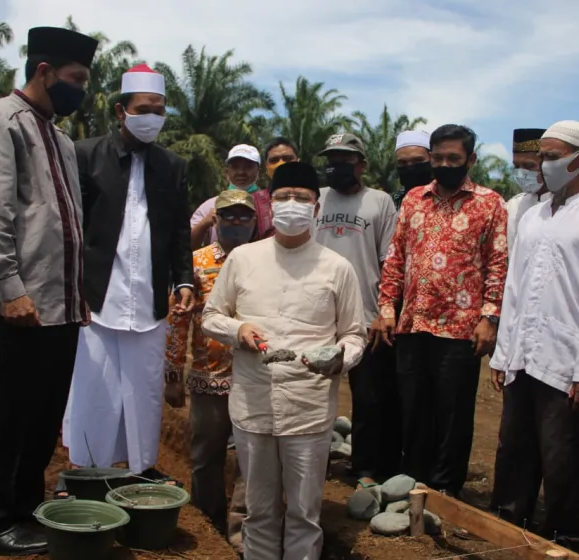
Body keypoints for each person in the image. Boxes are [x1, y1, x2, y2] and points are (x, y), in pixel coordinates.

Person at [0, 26, 98, 555]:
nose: (80, 89)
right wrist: (8, 288)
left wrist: (76, 293)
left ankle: (23, 511)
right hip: (17, 304)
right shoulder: (0, 123)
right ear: (43, 71)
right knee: (3, 415)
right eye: (75, 78)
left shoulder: (59, 138)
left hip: (59, 305)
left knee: (41, 416)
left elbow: (66, 222)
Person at [202, 161, 367, 560]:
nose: (291, 204)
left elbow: (354, 335)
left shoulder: (337, 268)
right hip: (252, 404)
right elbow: (211, 316)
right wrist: (237, 331)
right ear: (269, 206)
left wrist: (339, 359)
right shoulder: (243, 259)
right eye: (282, 197)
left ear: (316, 208)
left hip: (307, 409)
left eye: (301, 197)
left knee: (305, 513)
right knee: (258, 510)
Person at [489, 121, 579, 548]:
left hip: (565, 357)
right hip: (522, 352)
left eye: (551, 157)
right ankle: (509, 525)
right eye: (542, 156)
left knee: (561, 453)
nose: (543, 166)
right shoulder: (532, 216)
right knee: (514, 446)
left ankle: (565, 535)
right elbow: (515, 287)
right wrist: (502, 353)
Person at [62, 64, 194, 480]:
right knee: (93, 386)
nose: (152, 117)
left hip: (149, 298)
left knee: (144, 390)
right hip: (97, 296)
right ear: (121, 111)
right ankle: (85, 467)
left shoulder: (172, 166)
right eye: (144, 108)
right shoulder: (86, 155)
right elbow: (72, 226)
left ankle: (141, 468)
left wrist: (184, 278)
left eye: (159, 109)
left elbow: (177, 230)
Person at [376, 124, 508, 498]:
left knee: (453, 413)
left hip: (460, 327)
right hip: (413, 322)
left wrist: (489, 317)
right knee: (414, 408)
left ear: (471, 159)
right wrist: (387, 308)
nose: (445, 164)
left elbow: (498, 264)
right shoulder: (415, 199)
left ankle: (446, 489)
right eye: (439, 158)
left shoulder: (490, 203)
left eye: (454, 158)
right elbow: (395, 258)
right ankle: (412, 484)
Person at [165, 189, 256, 553]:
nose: (236, 222)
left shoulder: (265, 258)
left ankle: (242, 529)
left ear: (254, 222)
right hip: (209, 376)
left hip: (254, 377)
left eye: (243, 216)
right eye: (228, 216)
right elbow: (178, 321)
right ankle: (206, 521)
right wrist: (173, 374)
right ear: (214, 221)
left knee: (251, 456)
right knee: (206, 454)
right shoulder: (195, 263)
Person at [314, 133, 400, 489]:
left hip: (364, 316)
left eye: (347, 159)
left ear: (362, 164)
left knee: (368, 398)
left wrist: (385, 310)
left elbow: (389, 261)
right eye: (332, 159)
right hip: (318, 316)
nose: (338, 166)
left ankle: (363, 467)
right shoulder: (316, 198)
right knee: (315, 394)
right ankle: (313, 460)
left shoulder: (379, 202)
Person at [191, 144, 273, 249]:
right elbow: (186, 247)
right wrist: (204, 223)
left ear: (259, 172)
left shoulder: (270, 205)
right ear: (227, 172)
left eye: (248, 167)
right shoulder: (209, 206)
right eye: (235, 167)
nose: (241, 172)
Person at [505, 128, 550, 250]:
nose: (521, 173)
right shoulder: (512, 207)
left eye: (529, 166)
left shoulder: (567, 205)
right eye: (516, 166)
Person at [393, 129, 432, 209]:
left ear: (432, 158)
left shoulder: (450, 199)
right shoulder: (392, 203)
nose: (410, 168)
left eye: (417, 161)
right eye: (403, 162)